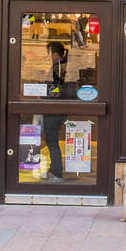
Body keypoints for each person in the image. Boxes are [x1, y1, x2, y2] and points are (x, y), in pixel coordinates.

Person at [41, 41, 72, 181]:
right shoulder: (60, 65)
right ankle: (54, 168)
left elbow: (57, 88)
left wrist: (45, 92)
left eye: (49, 53)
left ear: (55, 54)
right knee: (52, 140)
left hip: (54, 109)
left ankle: (57, 172)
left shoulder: (59, 67)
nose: (48, 56)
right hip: (56, 108)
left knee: (52, 140)